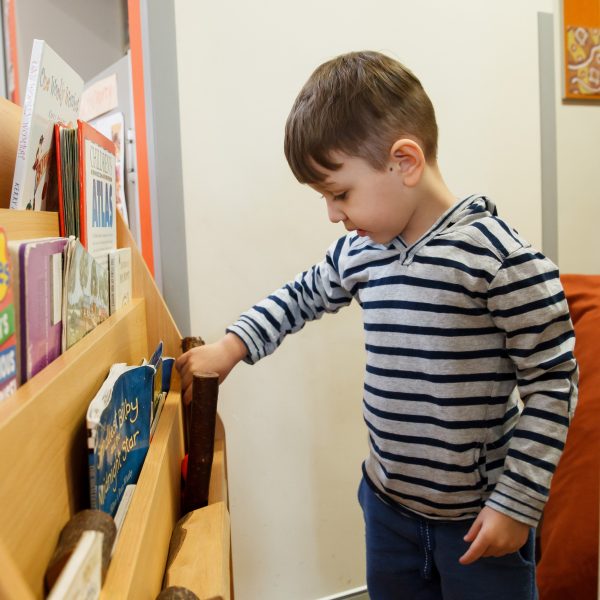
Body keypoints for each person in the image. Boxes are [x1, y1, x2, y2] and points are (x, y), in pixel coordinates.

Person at [175, 51, 577, 600]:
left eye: (340, 194)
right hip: (388, 510)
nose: (334, 215)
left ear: (405, 162)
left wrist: (516, 504)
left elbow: (553, 385)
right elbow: (302, 295)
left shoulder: (500, 262)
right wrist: (232, 345)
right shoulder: (362, 252)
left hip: (481, 523)